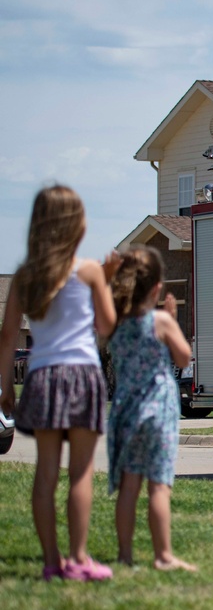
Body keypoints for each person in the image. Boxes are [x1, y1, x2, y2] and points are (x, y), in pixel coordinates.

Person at [0, 185, 120, 582]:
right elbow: (106, 326)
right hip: (81, 375)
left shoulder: (24, 276)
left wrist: (4, 387)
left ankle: (51, 562)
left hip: (41, 376)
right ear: (76, 225)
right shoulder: (86, 271)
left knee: (45, 473)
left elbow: (6, 337)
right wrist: (107, 281)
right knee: (80, 474)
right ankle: (80, 559)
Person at [107, 245, 197, 572]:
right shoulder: (160, 320)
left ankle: (125, 556)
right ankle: (163, 556)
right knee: (158, 484)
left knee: (129, 486)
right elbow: (184, 357)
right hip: (158, 412)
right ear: (157, 288)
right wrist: (172, 321)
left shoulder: (115, 324)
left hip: (127, 412)